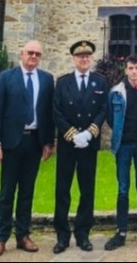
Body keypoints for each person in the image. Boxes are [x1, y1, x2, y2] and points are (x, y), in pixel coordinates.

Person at [0, 40, 55, 257]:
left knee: (27, 191)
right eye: (30, 53)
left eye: (37, 54)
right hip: (11, 142)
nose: (33, 57)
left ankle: (23, 235)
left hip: (34, 141)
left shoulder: (46, 79)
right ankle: (1, 238)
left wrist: (48, 142)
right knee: (7, 192)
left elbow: (48, 113)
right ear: (22, 53)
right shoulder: (7, 77)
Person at [51, 40, 109, 253]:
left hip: (88, 144)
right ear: (74, 58)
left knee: (87, 190)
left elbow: (103, 109)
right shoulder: (62, 82)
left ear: (91, 58)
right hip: (68, 145)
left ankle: (83, 233)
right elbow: (56, 111)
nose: (84, 59)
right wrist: (72, 134)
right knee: (62, 190)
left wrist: (90, 132)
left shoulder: (100, 82)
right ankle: (62, 235)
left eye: (87, 56)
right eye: (80, 56)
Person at [104, 54, 137, 251]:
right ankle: (121, 232)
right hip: (123, 146)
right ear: (125, 70)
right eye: (130, 68)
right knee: (123, 189)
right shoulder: (115, 92)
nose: (134, 72)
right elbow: (111, 117)